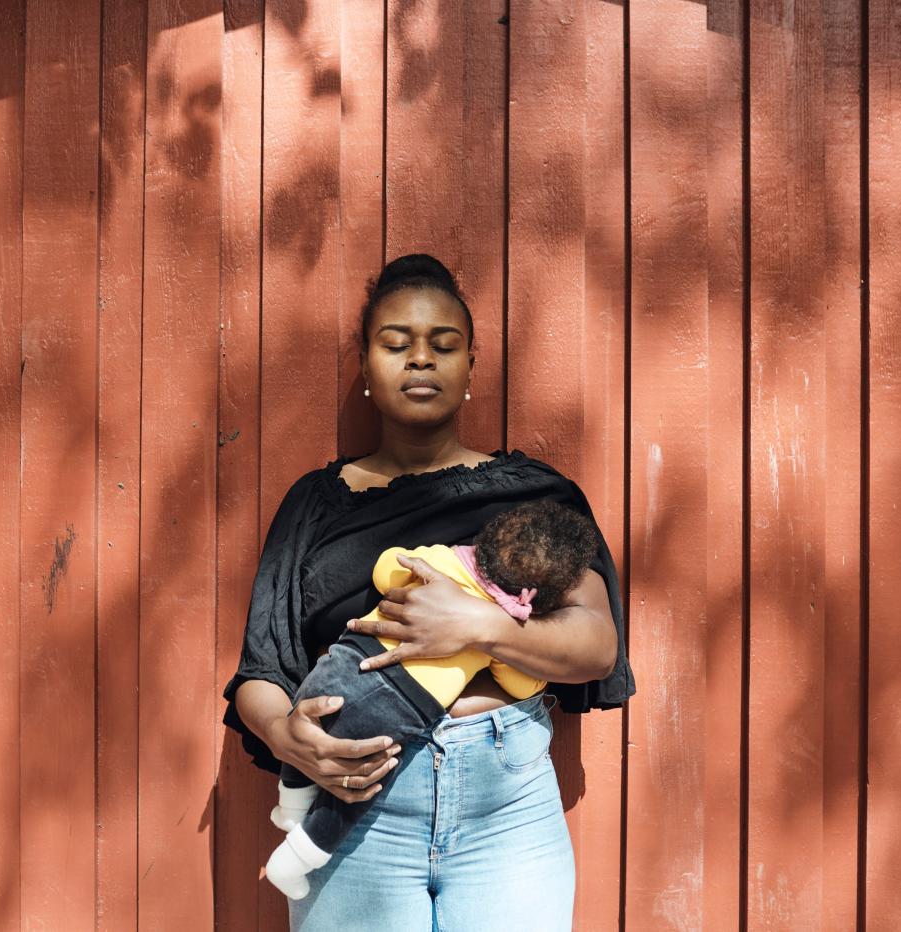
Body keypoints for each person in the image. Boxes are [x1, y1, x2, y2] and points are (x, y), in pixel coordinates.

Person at [222, 253, 635, 931]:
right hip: (355, 804)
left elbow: (596, 645)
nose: (421, 361)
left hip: (506, 810)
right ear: (366, 365)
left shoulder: (533, 496)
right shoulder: (315, 505)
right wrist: (286, 736)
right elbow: (260, 672)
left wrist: (479, 627)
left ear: (472, 367)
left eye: (444, 346)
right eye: (396, 344)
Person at [264, 500, 600, 900]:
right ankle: (296, 858)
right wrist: (500, 631)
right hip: (398, 712)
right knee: (348, 798)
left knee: (320, 728)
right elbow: (520, 685)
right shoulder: (508, 620)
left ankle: (291, 808)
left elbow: (387, 567)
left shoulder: (441, 562)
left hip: (346, 665)